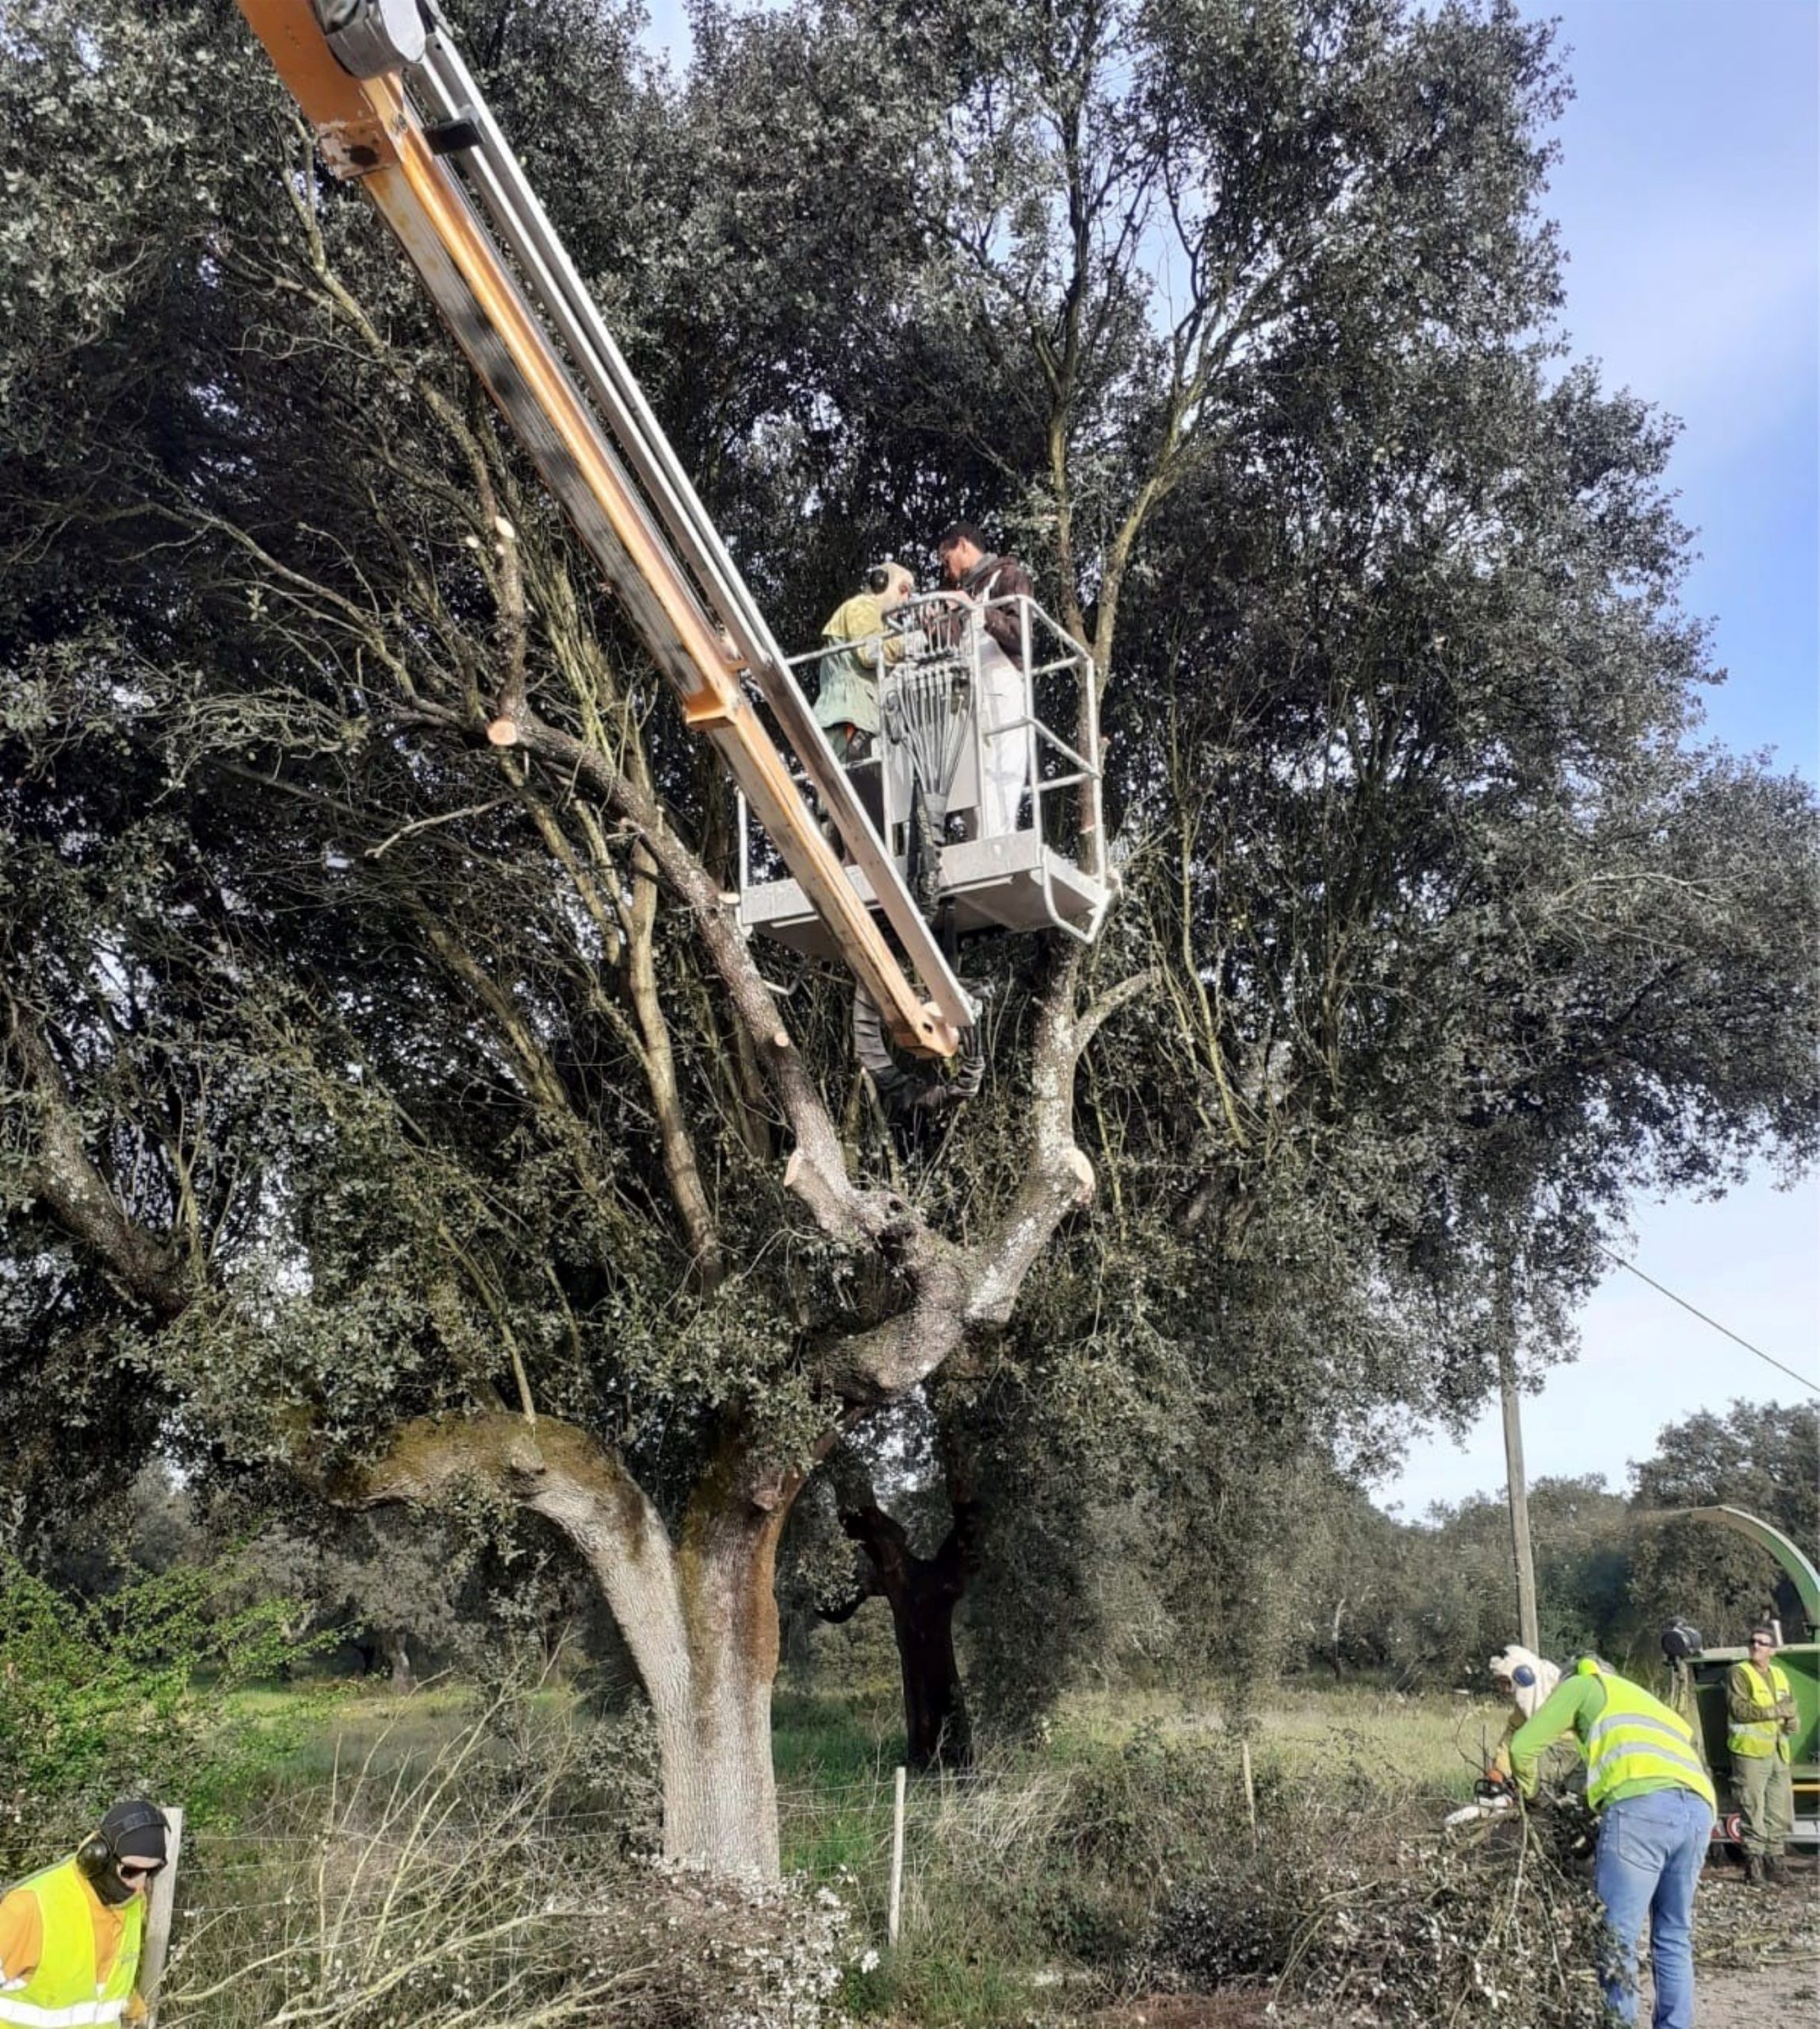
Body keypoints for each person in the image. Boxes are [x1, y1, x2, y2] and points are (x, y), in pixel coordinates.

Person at [1507, 1654, 1715, 2029]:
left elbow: (1522, 1748)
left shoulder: (1583, 1685)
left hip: (1641, 1810)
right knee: (1673, 1933)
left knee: (1617, 1935)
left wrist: (1532, 1798)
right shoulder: (1647, 1702)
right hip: (1698, 1812)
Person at [0, 1799, 168, 2027]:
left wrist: (129, 2001)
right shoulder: (29, 1907)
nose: (140, 1885)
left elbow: (105, 1979)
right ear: (97, 1858)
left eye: (152, 1872)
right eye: (130, 1871)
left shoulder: (132, 1905)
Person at [934, 522, 1035, 839]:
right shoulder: (968, 590)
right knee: (972, 775)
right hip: (970, 690)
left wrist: (977, 610)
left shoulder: (1008, 576)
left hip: (1002, 681)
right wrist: (934, 626)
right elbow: (954, 644)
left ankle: (999, 842)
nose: (945, 568)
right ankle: (981, 843)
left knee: (1003, 767)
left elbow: (1023, 635)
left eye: (945, 556)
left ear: (963, 545)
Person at [812, 561, 916, 839]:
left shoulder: (872, 618)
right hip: (851, 716)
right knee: (866, 802)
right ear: (883, 582)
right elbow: (870, 652)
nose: (906, 600)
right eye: (905, 590)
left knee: (847, 804)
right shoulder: (863, 607)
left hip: (851, 716)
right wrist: (912, 642)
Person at [1727, 1624, 1797, 1886]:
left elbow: (1790, 1706)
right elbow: (1739, 1709)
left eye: (1762, 1643)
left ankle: (1775, 1860)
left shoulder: (1779, 1675)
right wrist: (1776, 1712)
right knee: (1752, 1807)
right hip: (1750, 1751)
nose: (1756, 1646)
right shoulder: (1739, 1673)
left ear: (1772, 1650)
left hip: (1778, 1750)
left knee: (1778, 1809)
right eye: (1753, 1641)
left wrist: (1792, 1721)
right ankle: (1754, 1864)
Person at [1485, 1643, 1562, 1783]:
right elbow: (1512, 1734)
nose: (1506, 1690)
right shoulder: (1523, 1711)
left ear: (1523, 1675)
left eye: (1506, 1682)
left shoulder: (1564, 1693)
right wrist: (1499, 1770)